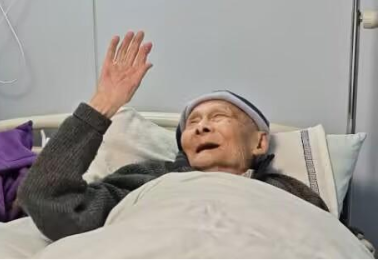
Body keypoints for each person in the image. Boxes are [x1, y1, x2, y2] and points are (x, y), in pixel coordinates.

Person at [18, 31, 330, 241]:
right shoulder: (145, 181)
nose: (201, 127)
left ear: (259, 142)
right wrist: (103, 104)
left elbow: (331, 241)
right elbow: (48, 200)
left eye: (218, 117)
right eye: (193, 122)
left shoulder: (289, 193)